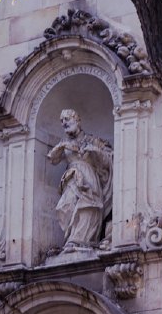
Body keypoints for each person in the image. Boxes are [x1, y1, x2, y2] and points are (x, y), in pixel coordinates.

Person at [46, 108, 113, 252]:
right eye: (61, 121)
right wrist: (61, 146)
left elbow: (108, 160)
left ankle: (81, 240)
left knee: (87, 206)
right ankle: (71, 237)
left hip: (89, 178)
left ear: (77, 120)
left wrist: (95, 151)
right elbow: (52, 159)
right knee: (65, 206)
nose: (64, 123)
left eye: (67, 119)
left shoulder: (92, 140)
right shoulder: (64, 142)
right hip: (71, 178)